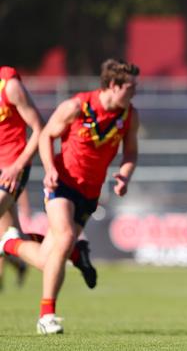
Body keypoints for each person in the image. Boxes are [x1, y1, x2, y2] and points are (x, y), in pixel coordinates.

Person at [0, 59, 140, 334]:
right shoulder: (77, 107)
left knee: (48, 258)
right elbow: (45, 135)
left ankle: (12, 243)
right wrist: (50, 168)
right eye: (131, 88)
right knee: (63, 238)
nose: (134, 94)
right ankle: (47, 315)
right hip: (61, 184)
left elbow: (131, 152)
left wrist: (125, 174)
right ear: (113, 85)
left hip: (89, 193)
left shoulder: (129, 116)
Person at [0, 66, 44, 290]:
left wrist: (17, 166)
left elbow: (39, 129)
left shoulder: (10, 87)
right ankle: (70, 249)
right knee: (11, 237)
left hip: (11, 168)